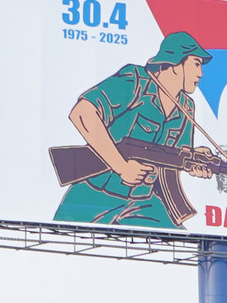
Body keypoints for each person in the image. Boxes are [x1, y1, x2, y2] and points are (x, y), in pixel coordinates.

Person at [53, 32, 217, 229]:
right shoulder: (136, 81)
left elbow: (173, 159)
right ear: (175, 64)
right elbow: (82, 113)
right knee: (56, 238)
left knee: (181, 242)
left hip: (144, 202)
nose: (201, 74)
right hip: (97, 193)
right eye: (196, 64)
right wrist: (122, 167)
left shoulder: (186, 107)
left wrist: (194, 160)